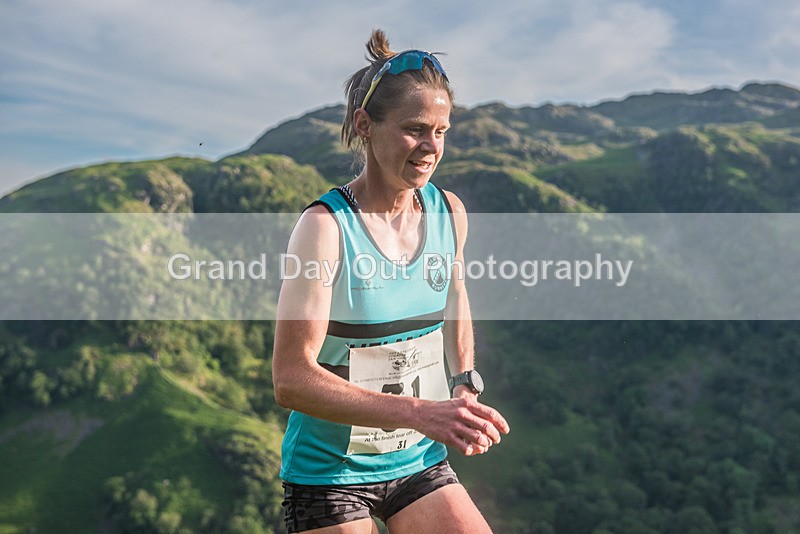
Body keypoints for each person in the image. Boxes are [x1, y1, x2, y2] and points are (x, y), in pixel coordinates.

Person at [272, 29, 510, 534]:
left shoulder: (449, 212)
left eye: (441, 131)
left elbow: (455, 296)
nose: (430, 147)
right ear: (365, 125)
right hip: (329, 476)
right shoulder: (326, 228)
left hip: (417, 464)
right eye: (415, 129)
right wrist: (420, 411)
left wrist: (464, 381)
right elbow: (290, 378)